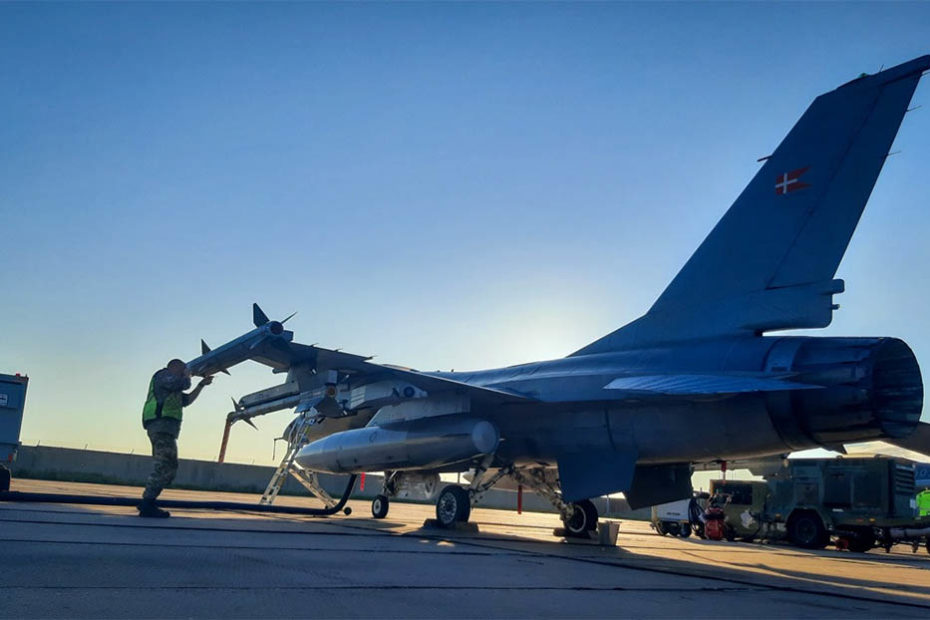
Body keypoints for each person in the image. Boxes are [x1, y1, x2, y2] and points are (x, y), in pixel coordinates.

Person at [139, 359, 213, 518]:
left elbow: (186, 400)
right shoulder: (163, 375)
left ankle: (149, 501)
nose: (184, 371)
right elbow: (184, 384)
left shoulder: (173, 386)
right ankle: (147, 502)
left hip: (167, 428)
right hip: (160, 426)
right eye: (181, 368)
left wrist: (201, 385)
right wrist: (188, 375)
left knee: (170, 466)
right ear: (173, 367)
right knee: (164, 464)